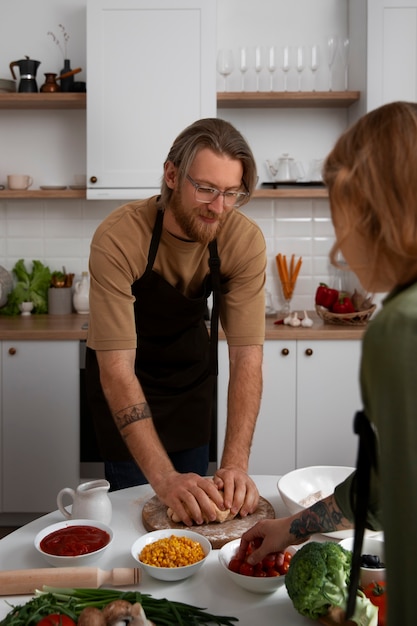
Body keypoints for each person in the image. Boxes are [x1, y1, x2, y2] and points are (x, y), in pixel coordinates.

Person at [237, 101, 417, 626]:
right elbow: (380, 487)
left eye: (343, 215)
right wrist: (291, 528)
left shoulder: (400, 327)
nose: (341, 246)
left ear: (375, 213)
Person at [86, 117, 266, 526]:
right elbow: (115, 370)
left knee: (195, 517)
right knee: (136, 519)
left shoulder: (243, 240)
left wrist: (235, 464)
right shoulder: (119, 237)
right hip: (126, 387)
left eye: (230, 193)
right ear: (171, 175)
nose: (217, 207)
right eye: (205, 188)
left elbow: (246, 359)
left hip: (189, 389)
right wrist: (164, 479)